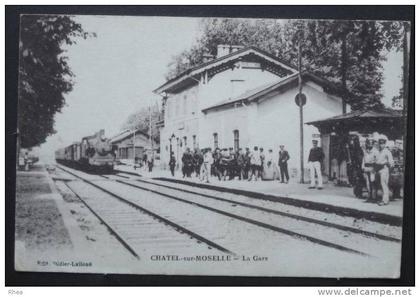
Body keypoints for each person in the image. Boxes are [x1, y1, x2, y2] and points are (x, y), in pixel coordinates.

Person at [375, 137, 394, 206]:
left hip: (384, 169)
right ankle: (381, 199)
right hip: (379, 169)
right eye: (380, 143)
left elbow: (391, 163)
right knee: (381, 185)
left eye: (382, 144)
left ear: (385, 144)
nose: (381, 145)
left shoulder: (387, 152)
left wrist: (387, 167)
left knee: (384, 185)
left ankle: (385, 200)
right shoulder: (378, 151)